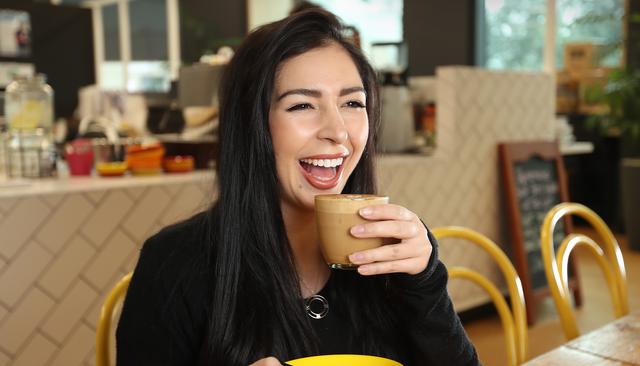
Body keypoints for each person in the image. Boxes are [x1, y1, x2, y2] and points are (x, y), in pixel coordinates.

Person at [116, 9, 479, 366]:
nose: (338, 132)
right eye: (302, 105)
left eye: (353, 103)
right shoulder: (174, 264)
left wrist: (425, 281)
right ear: (252, 124)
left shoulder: (394, 254)